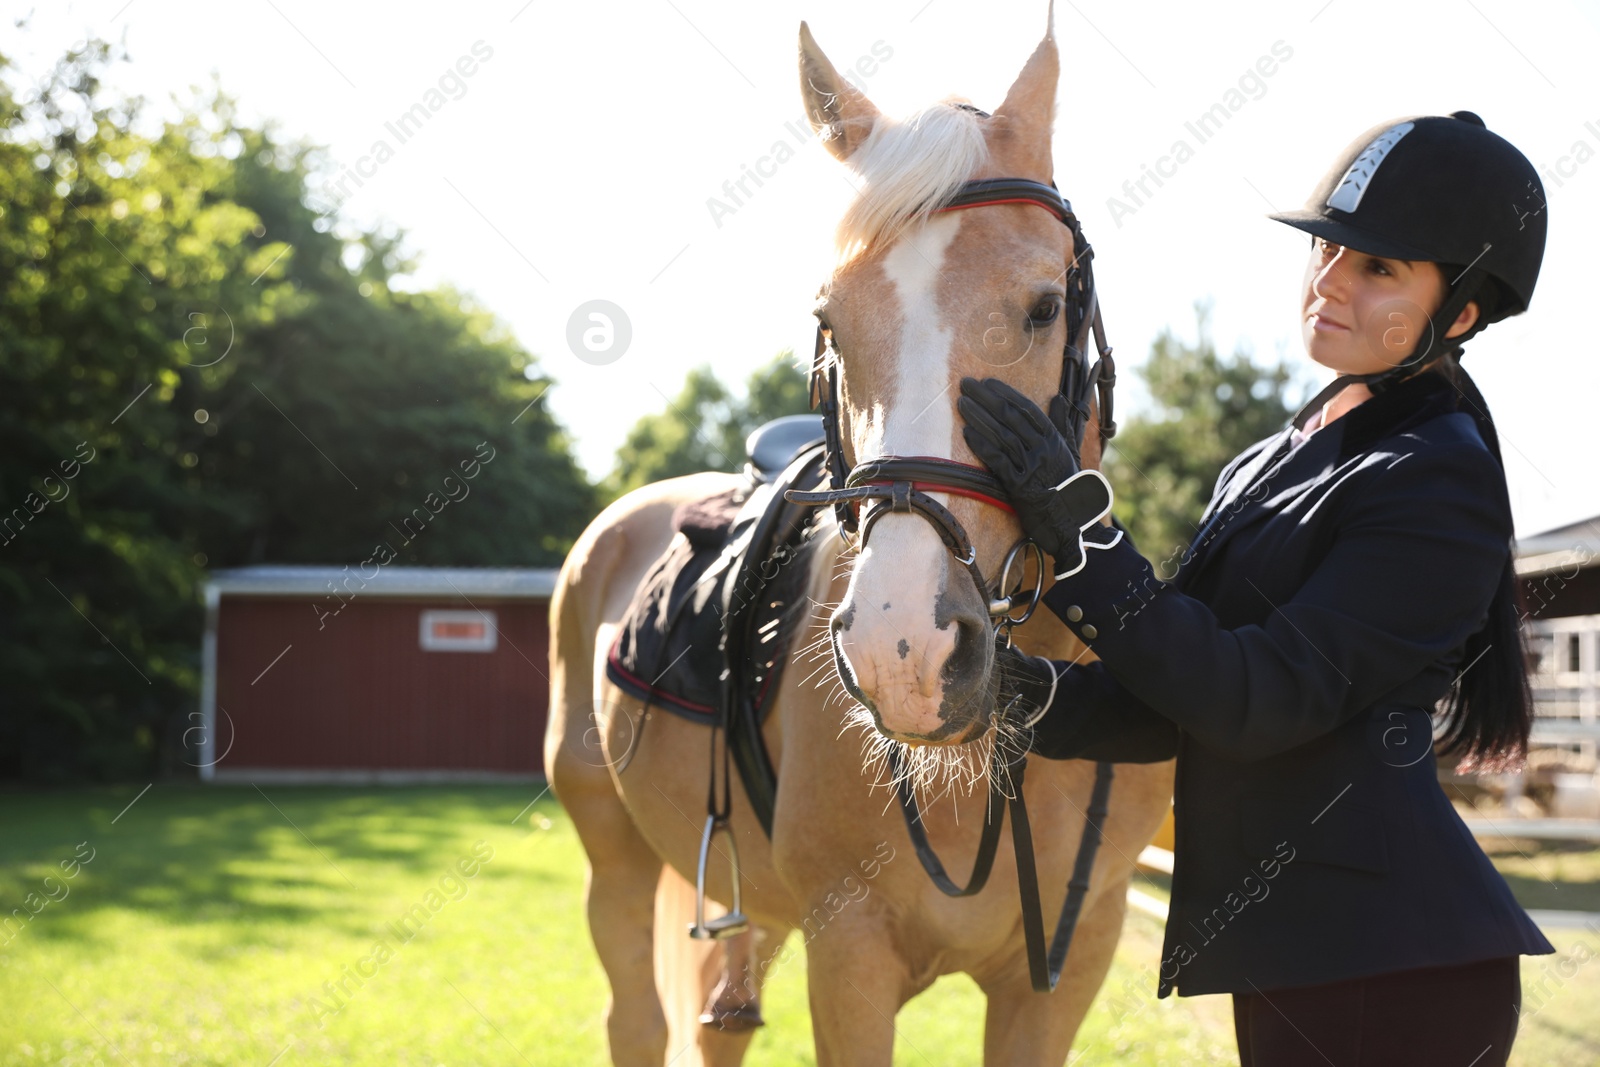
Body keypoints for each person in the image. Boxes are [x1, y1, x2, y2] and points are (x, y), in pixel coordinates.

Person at [957, 111, 1555, 1067]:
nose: (1329, 283)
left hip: (1396, 971)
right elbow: (1177, 694)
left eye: (1379, 269)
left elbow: (1255, 701)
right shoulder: (1274, 457)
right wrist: (1006, 693)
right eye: (1330, 250)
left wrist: (1079, 529)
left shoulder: (1435, 475)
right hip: (1296, 952)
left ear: (1465, 311)